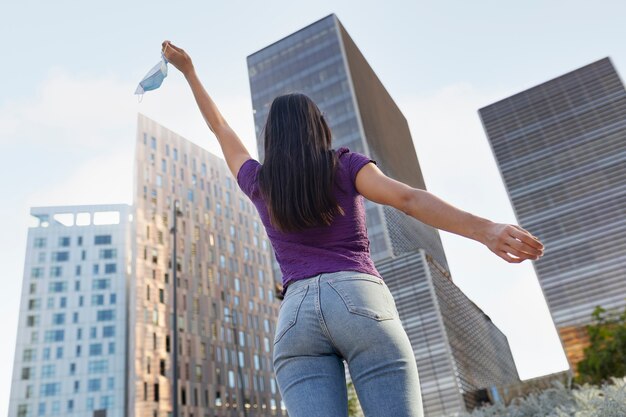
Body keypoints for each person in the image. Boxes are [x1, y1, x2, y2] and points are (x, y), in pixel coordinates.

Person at [161, 40, 545, 417]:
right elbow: (408, 199)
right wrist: (485, 230)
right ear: (319, 127)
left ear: (271, 137)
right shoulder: (344, 165)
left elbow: (220, 126)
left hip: (294, 319)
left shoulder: (259, 181)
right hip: (358, 299)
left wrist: (190, 72)